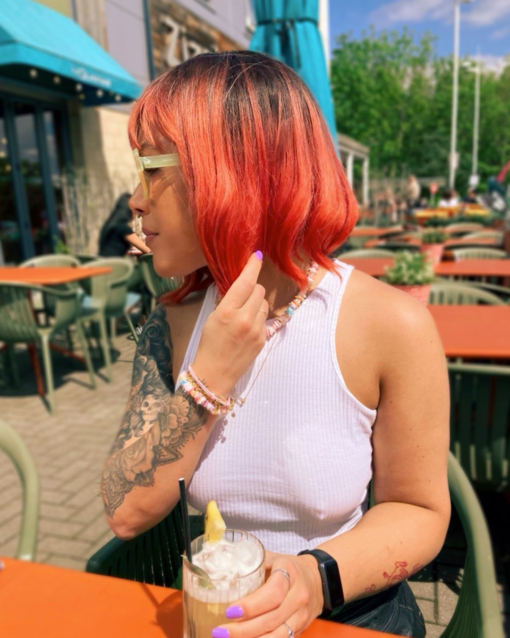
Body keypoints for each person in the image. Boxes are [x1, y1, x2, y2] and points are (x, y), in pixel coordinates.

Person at [100, 51, 450, 637]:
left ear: (236, 174)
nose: (136, 198)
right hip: (220, 613)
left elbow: (420, 510)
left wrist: (314, 578)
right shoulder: (173, 322)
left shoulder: (392, 325)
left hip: (353, 611)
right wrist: (208, 379)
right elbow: (124, 511)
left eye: (153, 169)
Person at [98, 192, 151, 257]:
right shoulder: (122, 228)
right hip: (114, 262)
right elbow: (147, 250)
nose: (136, 214)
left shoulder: (110, 225)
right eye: (135, 210)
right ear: (129, 210)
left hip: (103, 261)